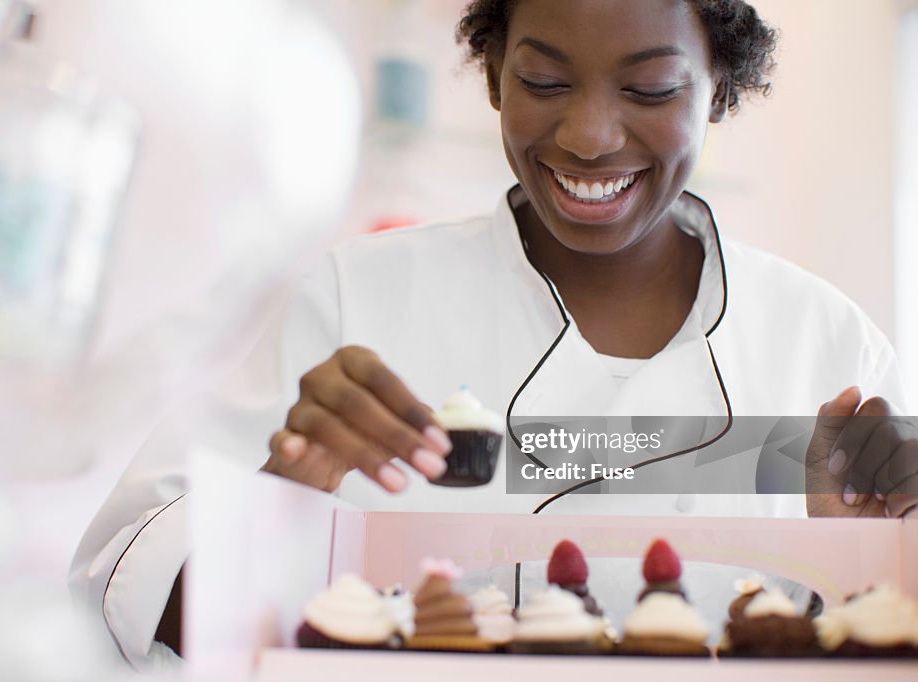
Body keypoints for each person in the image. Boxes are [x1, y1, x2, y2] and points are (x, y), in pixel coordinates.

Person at [70, 0, 917, 668]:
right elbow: (125, 590)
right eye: (545, 81)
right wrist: (286, 496)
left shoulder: (829, 344)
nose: (589, 135)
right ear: (491, 77)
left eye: (651, 89)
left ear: (720, 88)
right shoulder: (351, 299)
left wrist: (868, 556)